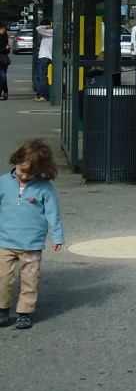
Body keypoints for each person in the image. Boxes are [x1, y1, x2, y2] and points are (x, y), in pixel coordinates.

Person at [0, 139, 65, 330]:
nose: (25, 176)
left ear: (42, 170)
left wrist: (57, 236)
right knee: (2, 277)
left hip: (32, 244)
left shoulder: (44, 188)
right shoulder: (3, 183)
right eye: (22, 170)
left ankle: (24, 312)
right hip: (4, 241)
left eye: (32, 173)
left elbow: (53, 213)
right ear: (16, 161)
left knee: (30, 279)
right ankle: (3, 308)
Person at [33, 20, 53, 102]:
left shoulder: (50, 32)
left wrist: (47, 26)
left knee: (42, 77)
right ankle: (39, 95)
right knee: (37, 77)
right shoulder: (48, 33)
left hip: (45, 57)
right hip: (43, 57)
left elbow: (38, 28)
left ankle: (45, 96)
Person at [0, 26, 10, 101]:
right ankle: (4, 92)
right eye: (2, 29)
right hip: (3, 58)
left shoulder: (5, 37)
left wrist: (7, 49)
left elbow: (7, 51)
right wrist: (5, 49)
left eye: (4, 29)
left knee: (3, 77)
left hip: (3, 60)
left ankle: (5, 91)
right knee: (2, 77)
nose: (3, 30)